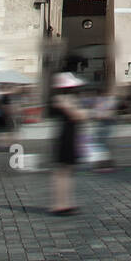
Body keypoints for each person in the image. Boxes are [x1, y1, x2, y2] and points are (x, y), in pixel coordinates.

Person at [49, 72, 85, 215]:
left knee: (66, 172)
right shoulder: (64, 99)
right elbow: (79, 116)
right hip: (66, 139)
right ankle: (59, 205)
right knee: (62, 173)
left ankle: (66, 203)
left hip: (69, 137)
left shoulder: (62, 99)